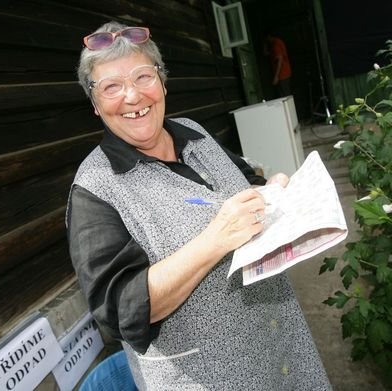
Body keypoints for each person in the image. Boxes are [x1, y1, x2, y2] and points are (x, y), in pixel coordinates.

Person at [67, 21, 332, 390]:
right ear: (95, 104)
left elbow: (243, 179)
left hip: (284, 347)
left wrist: (269, 190)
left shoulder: (195, 133)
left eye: (143, 77)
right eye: (111, 86)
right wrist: (215, 240)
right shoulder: (95, 188)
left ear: (161, 82)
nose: (132, 96)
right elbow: (120, 312)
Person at [264, 31, 292, 97]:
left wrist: (276, 76)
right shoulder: (274, 44)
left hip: (282, 74)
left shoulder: (276, 44)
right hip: (283, 73)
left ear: (269, 36)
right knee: (284, 94)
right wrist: (265, 44)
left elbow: (280, 59)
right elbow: (265, 53)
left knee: (285, 95)